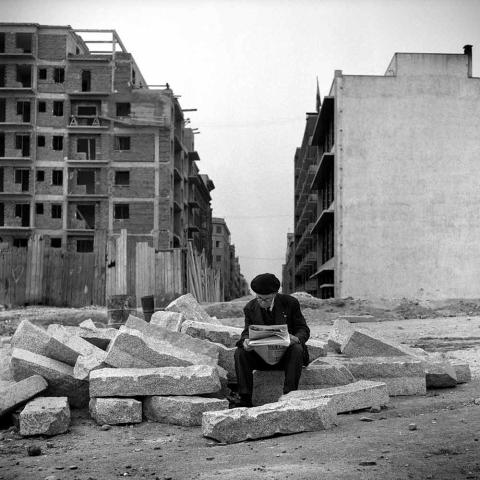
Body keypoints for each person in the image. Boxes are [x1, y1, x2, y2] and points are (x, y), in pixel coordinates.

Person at [234, 273, 310, 407]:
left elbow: (303, 329)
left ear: (275, 293)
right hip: (262, 357)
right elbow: (246, 332)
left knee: (297, 349)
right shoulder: (250, 308)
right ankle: (244, 398)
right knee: (240, 353)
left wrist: (296, 338)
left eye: (267, 299)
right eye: (259, 298)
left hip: (287, 357)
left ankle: (289, 396)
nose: (262, 302)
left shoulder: (290, 303)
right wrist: (245, 341)